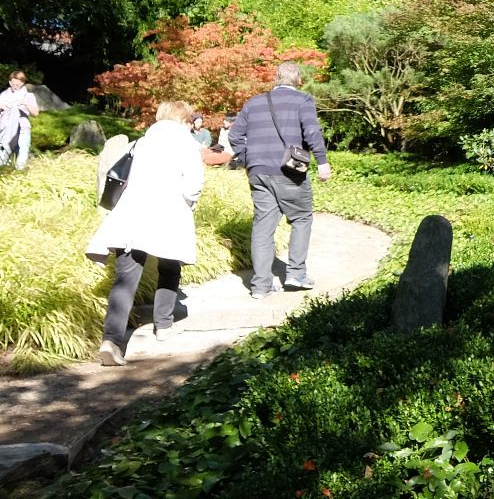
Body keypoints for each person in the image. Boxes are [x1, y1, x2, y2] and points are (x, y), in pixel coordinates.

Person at [85, 100, 205, 364]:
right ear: (183, 121)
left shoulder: (137, 143)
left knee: (125, 280)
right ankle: (163, 324)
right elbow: (193, 187)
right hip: (167, 215)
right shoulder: (188, 145)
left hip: (130, 217)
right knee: (169, 267)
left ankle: (111, 340)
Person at [227, 62, 330, 298]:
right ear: (298, 80)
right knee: (301, 218)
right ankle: (296, 273)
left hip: (258, 172)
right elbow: (312, 132)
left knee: (263, 227)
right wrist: (322, 161)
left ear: (276, 79)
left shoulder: (253, 103)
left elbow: (234, 135)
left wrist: (247, 159)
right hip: (289, 171)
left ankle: (261, 287)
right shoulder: (303, 101)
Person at [0, 70, 40, 170]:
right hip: (5, 131)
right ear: (10, 82)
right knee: (4, 156)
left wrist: (25, 104)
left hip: (23, 130)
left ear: (23, 83)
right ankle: (6, 173)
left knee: (22, 155)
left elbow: (35, 113)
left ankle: (20, 174)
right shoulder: (3, 95)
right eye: (13, 84)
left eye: (18, 84)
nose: (15, 86)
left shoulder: (28, 96)